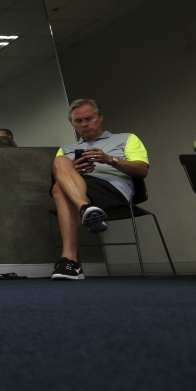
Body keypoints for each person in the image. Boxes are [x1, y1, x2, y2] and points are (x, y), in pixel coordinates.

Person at [50, 99, 149, 280]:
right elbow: (59, 181)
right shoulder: (66, 149)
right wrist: (74, 169)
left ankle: (70, 261)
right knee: (60, 171)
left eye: (89, 118)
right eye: (78, 121)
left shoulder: (126, 138)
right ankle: (85, 209)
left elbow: (142, 170)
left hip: (113, 189)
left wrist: (110, 159)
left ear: (100, 117)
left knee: (60, 189)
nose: (84, 124)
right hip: (80, 190)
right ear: (73, 124)